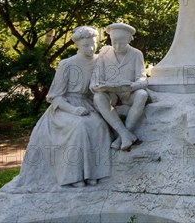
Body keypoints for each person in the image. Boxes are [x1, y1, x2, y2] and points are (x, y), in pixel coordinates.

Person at [18, 26, 111, 188]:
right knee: (79, 126)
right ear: (77, 46)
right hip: (65, 107)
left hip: (88, 104)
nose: (91, 48)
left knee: (99, 126)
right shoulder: (67, 64)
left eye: (93, 44)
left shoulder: (100, 62)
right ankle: (74, 177)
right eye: (86, 45)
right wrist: (73, 110)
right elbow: (55, 96)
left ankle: (93, 173)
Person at [91, 23, 148, 152]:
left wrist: (134, 85)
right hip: (111, 94)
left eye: (121, 43)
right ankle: (124, 135)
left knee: (142, 95)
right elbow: (95, 79)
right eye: (114, 42)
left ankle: (121, 137)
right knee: (99, 97)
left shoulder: (136, 54)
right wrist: (98, 87)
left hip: (128, 93)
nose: (117, 46)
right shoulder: (104, 54)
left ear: (128, 40)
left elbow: (143, 78)